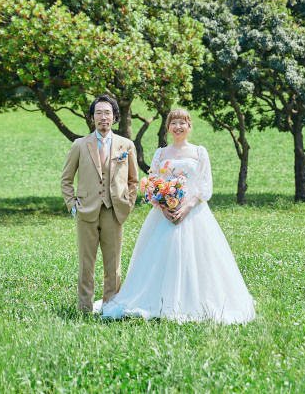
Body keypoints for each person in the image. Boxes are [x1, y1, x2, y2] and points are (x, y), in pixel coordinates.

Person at [100, 108, 256, 324]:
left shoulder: (199, 152)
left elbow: (205, 186)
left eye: (183, 123)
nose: (178, 127)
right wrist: (163, 206)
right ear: (168, 128)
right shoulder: (161, 154)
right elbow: (153, 184)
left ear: (189, 126)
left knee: (198, 259)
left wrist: (187, 206)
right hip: (164, 214)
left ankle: (196, 301)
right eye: (174, 123)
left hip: (194, 214)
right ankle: (155, 299)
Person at [61, 95, 139, 313]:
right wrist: (72, 205)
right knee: (86, 265)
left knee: (113, 266)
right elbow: (66, 180)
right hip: (86, 210)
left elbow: (134, 180)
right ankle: (84, 309)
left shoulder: (127, 145)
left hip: (114, 211)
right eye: (98, 113)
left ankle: (110, 309)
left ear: (114, 117)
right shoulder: (79, 145)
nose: (103, 117)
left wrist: (128, 203)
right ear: (92, 117)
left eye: (107, 113)